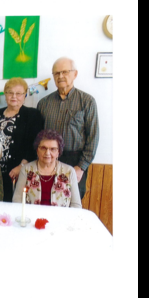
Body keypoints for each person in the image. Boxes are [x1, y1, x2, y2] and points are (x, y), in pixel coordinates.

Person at [35, 57, 99, 199]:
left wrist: (81, 166)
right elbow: (37, 136)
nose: (60, 76)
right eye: (56, 73)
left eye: (65, 72)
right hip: (47, 158)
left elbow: (93, 137)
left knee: (72, 201)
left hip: (75, 160)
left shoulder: (87, 101)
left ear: (75, 74)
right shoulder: (44, 103)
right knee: (46, 198)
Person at [0, 77, 45, 202]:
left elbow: (35, 144)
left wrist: (22, 166)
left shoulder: (32, 115)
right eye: (10, 93)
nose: (14, 96)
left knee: (12, 204)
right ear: (5, 95)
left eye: (18, 93)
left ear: (25, 95)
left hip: (16, 172)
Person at [12, 129, 82, 209]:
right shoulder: (26, 170)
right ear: (37, 150)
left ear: (58, 152)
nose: (47, 153)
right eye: (43, 148)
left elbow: (76, 205)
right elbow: (17, 200)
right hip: (31, 218)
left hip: (60, 220)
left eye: (52, 149)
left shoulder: (69, 171)